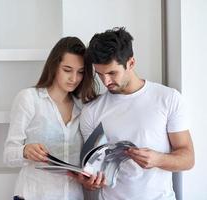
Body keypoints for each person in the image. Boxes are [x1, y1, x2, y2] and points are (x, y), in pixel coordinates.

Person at [75, 27, 195, 200]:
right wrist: (90, 181)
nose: (106, 81)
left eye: (112, 73)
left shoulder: (168, 98)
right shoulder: (92, 111)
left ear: (131, 63)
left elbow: (188, 158)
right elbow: (92, 169)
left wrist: (158, 159)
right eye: (100, 74)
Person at [3, 36, 97, 200]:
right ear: (54, 67)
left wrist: (88, 177)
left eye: (80, 72)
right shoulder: (29, 99)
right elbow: (8, 155)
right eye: (67, 70)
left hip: (73, 195)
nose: (74, 78)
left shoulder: (83, 108)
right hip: (34, 194)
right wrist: (25, 151)